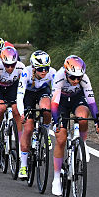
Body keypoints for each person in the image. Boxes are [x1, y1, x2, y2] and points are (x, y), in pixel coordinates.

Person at [50, 55, 99, 196]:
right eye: (73, 78)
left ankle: (83, 143)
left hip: (77, 99)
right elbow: (54, 103)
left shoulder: (84, 79)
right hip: (61, 102)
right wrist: (56, 122)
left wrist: (98, 120)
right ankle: (56, 179)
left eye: (79, 78)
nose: (76, 81)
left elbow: (91, 101)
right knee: (60, 139)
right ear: (66, 73)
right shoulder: (59, 76)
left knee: (83, 118)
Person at [16, 50, 56, 179]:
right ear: (34, 68)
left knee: (46, 108)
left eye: (46, 68)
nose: (44, 71)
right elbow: (19, 96)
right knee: (28, 128)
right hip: (28, 95)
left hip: (43, 91)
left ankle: (45, 129)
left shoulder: (53, 73)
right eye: (40, 69)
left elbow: (56, 96)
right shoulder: (26, 73)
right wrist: (22, 113)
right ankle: (23, 166)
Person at [0, 45, 25, 149]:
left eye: (12, 65)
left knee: (16, 110)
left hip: (12, 87)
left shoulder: (20, 66)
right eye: (7, 65)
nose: (10, 68)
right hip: (0, 88)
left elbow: (23, 87)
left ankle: (19, 137)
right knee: (1, 108)